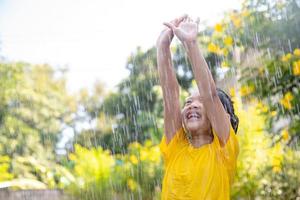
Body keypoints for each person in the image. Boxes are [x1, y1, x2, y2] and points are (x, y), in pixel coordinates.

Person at [156, 15, 239, 200]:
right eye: (188, 102)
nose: (192, 105)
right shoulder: (175, 148)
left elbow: (209, 94)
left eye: (200, 103)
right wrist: (162, 47)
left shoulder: (223, 152)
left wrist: (191, 44)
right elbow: (170, 95)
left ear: (222, 117)